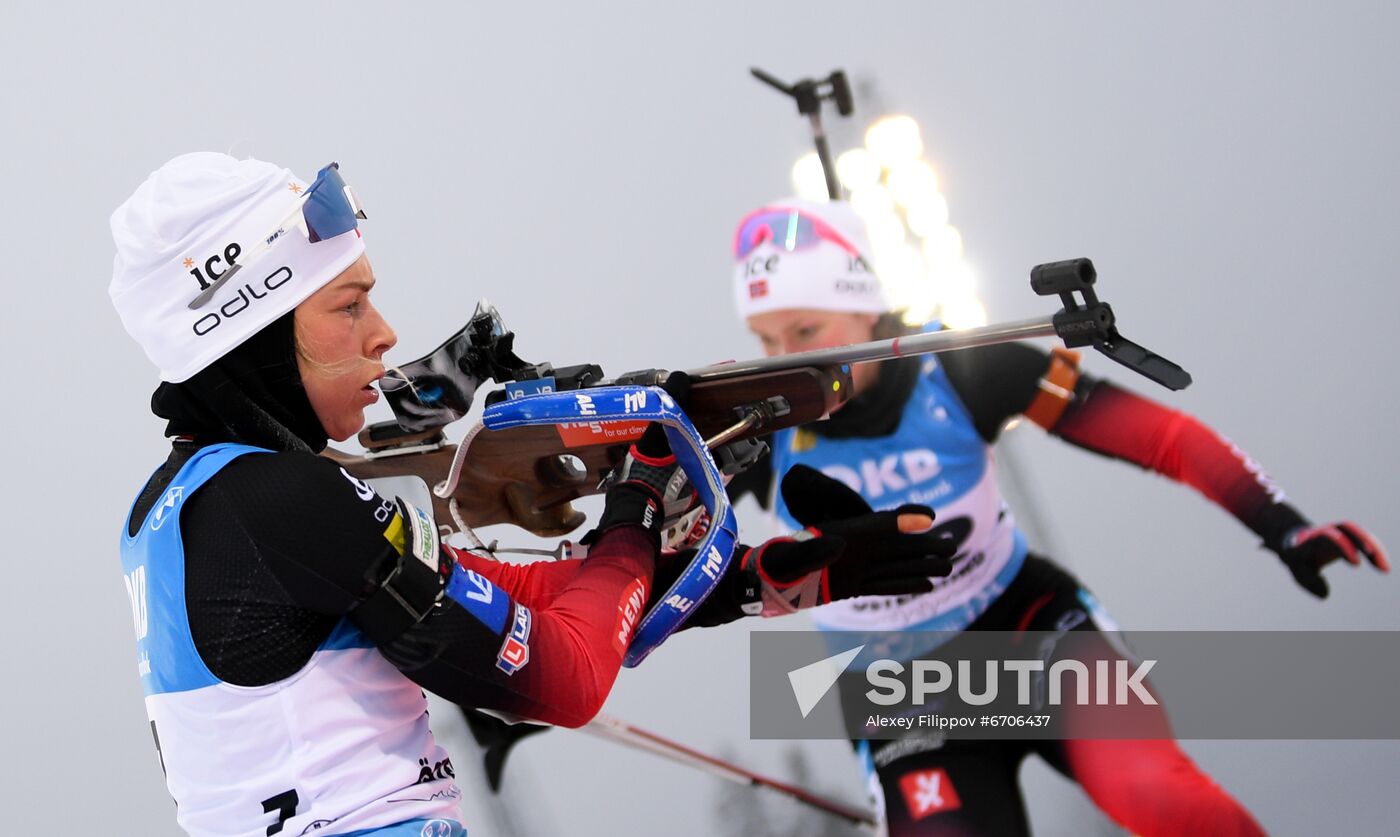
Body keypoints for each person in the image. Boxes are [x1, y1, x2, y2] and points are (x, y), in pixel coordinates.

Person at [109, 153, 955, 837]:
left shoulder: (192, 507)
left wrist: (767, 578)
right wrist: (638, 503)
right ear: (254, 325)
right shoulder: (281, 500)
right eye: (349, 303)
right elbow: (564, 676)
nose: (385, 332)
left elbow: (532, 604)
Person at [724, 198, 1389, 836]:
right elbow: (655, 513)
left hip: (1027, 627)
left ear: (864, 310)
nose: (785, 359)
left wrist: (1281, 523)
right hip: (897, 688)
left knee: (1158, 795)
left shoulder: (958, 367)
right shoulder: (756, 420)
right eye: (765, 338)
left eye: (806, 330)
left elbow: (1162, 439)